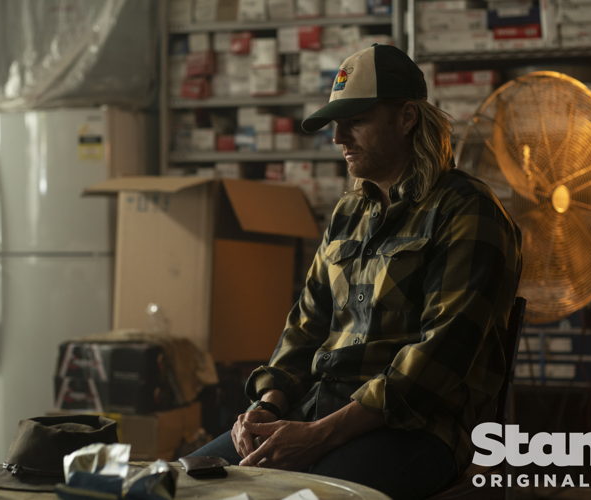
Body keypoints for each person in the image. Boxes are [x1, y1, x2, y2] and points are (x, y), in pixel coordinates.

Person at [189, 43, 522, 500]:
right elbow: (305, 328)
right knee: (180, 485)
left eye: (356, 121)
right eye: (335, 123)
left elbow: (438, 361)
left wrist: (320, 435)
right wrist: (268, 405)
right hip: (314, 411)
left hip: (415, 430)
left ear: (406, 118)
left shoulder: (467, 211)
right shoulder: (348, 214)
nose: (338, 137)